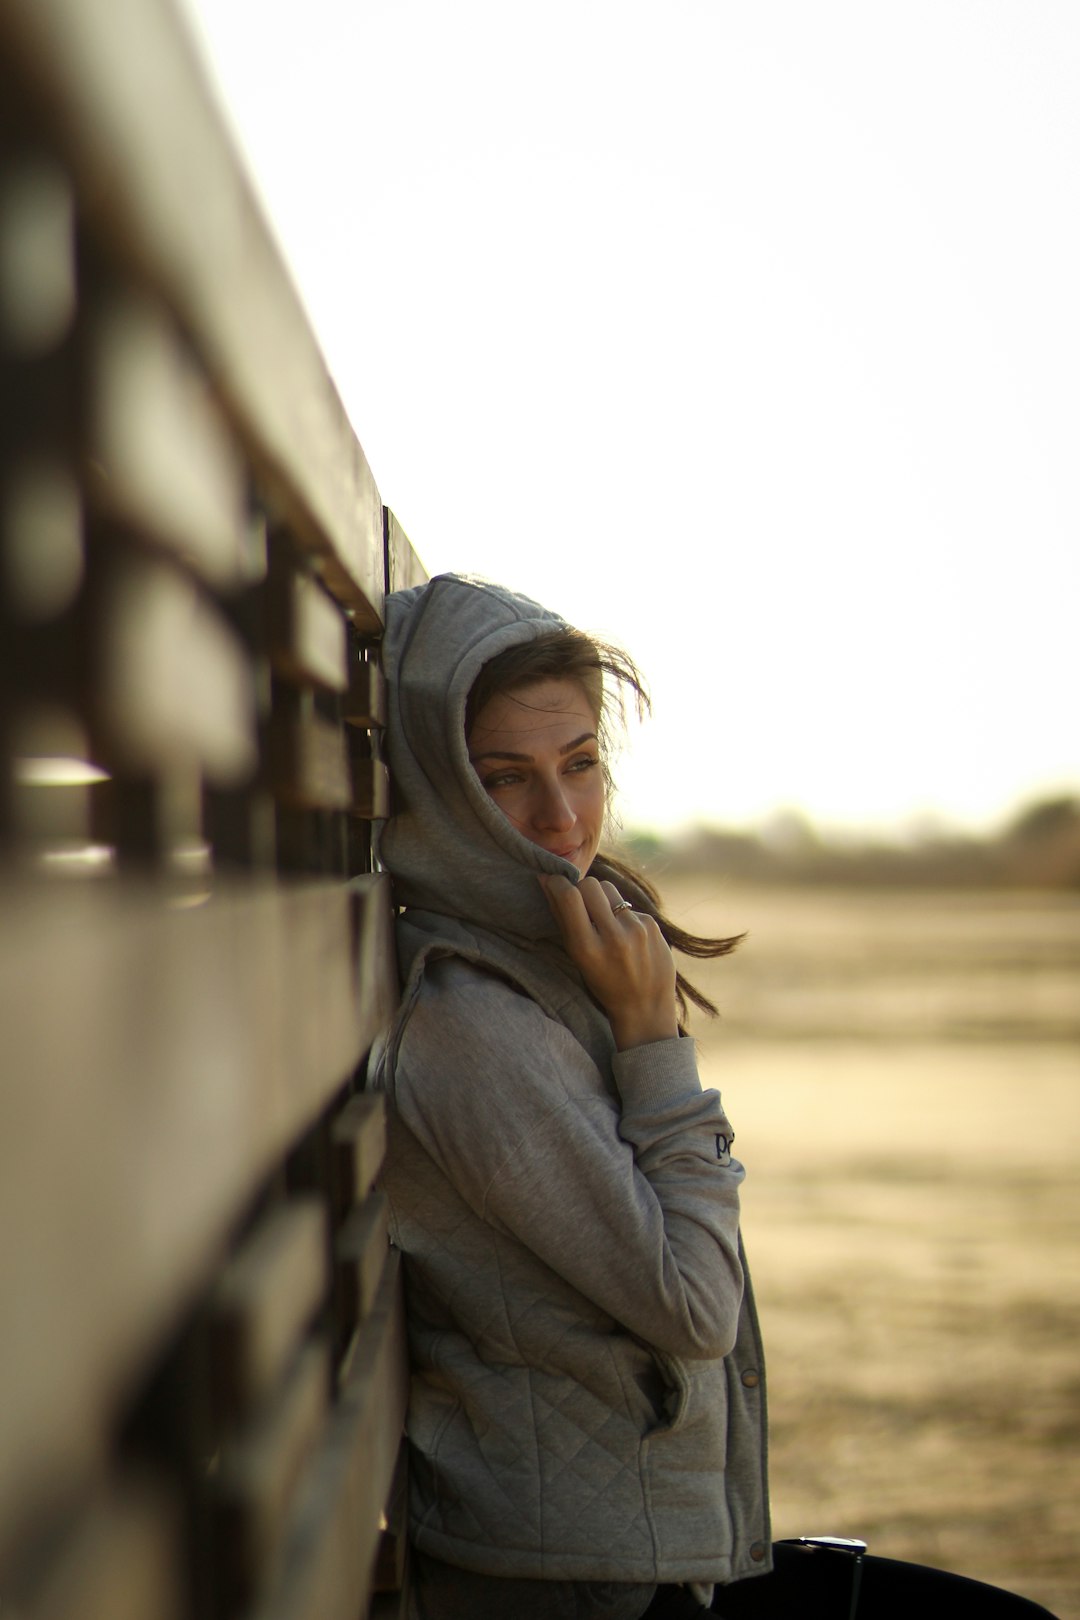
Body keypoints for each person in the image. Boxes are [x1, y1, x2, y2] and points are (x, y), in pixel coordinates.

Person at [369, 573, 1057, 1620]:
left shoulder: (547, 957)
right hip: (586, 1587)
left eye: (582, 764)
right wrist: (653, 1043)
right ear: (439, 788)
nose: (560, 817)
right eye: (505, 778)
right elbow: (694, 1309)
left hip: (645, 1554)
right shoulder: (474, 1024)